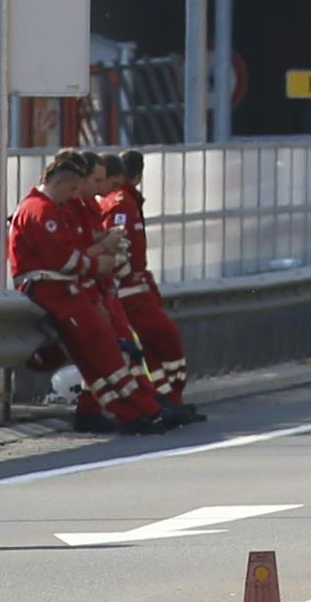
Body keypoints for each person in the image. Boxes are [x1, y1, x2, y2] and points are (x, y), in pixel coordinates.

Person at [11, 148, 167, 435]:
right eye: (72, 188)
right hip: (55, 290)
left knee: (99, 355)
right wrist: (99, 262)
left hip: (69, 289)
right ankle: (140, 410)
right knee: (102, 351)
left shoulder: (57, 209)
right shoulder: (42, 211)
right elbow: (65, 259)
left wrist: (98, 252)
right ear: (60, 183)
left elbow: (73, 248)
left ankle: (135, 411)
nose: (73, 195)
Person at [92, 150, 203, 429]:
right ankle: (161, 400)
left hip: (133, 288)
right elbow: (121, 250)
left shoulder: (125, 202)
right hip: (128, 292)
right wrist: (131, 283)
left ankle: (165, 399)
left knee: (152, 346)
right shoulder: (121, 204)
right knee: (163, 340)